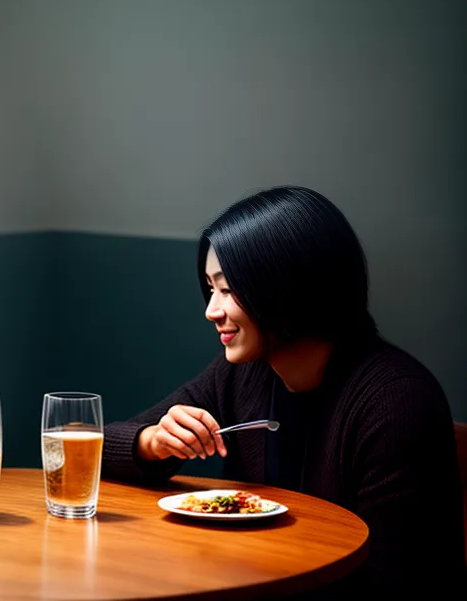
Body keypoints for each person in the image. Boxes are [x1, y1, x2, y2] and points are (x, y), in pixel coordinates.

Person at [102, 185, 465, 594]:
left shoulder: (396, 401)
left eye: (227, 289)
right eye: (210, 288)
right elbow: (95, 452)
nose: (211, 311)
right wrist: (151, 441)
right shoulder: (241, 375)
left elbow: (396, 578)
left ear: (287, 287)